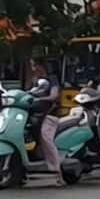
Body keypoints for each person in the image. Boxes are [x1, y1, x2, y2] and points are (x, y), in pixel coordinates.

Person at [27, 57, 66, 186]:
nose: (32, 69)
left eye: (34, 65)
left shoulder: (52, 79)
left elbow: (54, 96)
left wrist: (41, 99)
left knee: (45, 137)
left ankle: (58, 171)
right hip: (34, 116)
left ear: (40, 66)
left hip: (49, 115)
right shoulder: (35, 81)